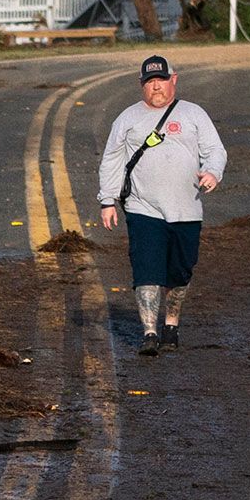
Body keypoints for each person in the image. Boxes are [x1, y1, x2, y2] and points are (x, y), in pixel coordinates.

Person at [96, 53, 227, 356]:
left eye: (161, 80)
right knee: (147, 270)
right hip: (144, 207)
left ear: (174, 80)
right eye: (150, 82)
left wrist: (212, 172)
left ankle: (171, 323)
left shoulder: (194, 114)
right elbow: (112, 160)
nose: (156, 88)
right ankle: (150, 334)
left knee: (180, 271)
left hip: (187, 209)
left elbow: (215, 150)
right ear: (141, 85)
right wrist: (107, 200)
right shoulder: (127, 118)